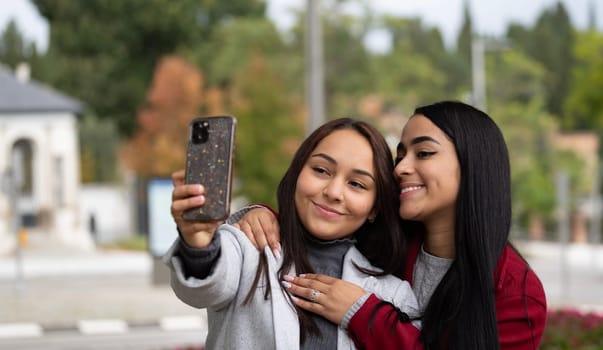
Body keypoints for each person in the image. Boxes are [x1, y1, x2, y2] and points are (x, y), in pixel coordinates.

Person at [236, 101, 547, 349]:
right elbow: (319, 219)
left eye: (423, 153)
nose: (401, 168)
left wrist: (362, 313)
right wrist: (260, 214)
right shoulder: (386, 238)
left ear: (472, 167)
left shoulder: (516, 293)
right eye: (401, 155)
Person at [163, 118, 421, 349]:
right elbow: (202, 288)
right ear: (297, 173)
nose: (333, 192)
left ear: (375, 208)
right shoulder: (248, 243)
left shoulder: (392, 295)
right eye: (321, 170)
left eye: (356, 184)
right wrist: (198, 243)